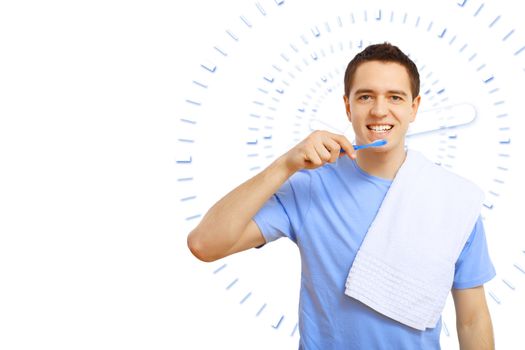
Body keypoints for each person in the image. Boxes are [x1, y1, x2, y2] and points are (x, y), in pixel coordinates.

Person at [187, 43, 496, 349]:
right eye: (365, 97)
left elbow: (472, 319)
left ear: (414, 107)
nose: (379, 110)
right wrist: (285, 164)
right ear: (348, 107)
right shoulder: (309, 187)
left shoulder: (454, 200)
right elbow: (204, 244)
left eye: (395, 97)